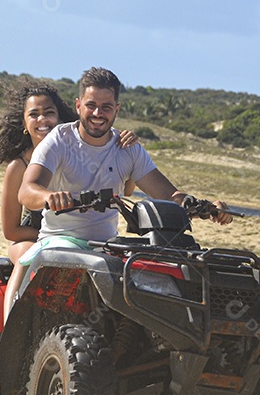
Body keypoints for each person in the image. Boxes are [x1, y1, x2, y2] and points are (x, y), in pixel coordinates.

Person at [17, 67, 231, 268]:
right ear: (78, 105)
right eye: (91, 105)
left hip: (106, 247)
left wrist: (205, 206)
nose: (98, 113)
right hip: (60, 241)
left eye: (106, 107)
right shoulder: (59, 141)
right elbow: (27, 190)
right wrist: (49, 197)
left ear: (116, 110)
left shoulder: (128, 149)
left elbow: (168, 194)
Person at [0, 79, 136, 319]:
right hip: (31, 236)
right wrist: (56, 236)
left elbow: (126, 190)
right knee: (26, 258)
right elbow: (11, 230)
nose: (42, 120)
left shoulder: (72, 151)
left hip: (78, 239)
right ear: (24, 122)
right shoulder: (19, 167)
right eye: (34, 114)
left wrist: (127, 151)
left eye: (49, 113)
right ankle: (9, 327)